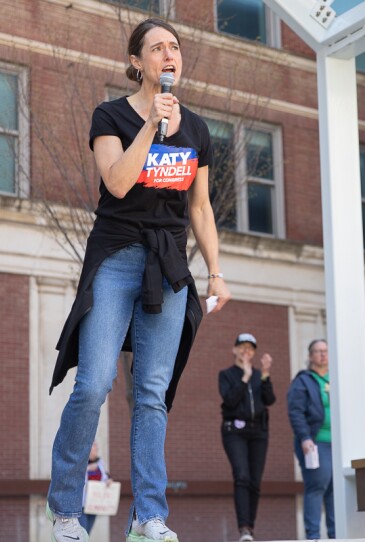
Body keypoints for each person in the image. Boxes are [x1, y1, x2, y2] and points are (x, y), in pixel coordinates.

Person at [45, 18, 231, 542]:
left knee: (152, 392)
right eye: (156, 48)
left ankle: (149, 516)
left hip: (169, 264)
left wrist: (215, 272)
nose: (169, 54)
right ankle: (65, 510)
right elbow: (118, 182)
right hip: (117, 255)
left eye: (175, 47)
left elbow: (200, 207)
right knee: (95, 381)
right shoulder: (110, 115)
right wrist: (151, 124)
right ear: (136, 62)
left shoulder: (196, 130)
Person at [219, 332, 276, 542]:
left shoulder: (259, 375)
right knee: (242, 476)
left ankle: (249, 528)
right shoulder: (226, 375)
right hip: (235, 431)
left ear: (254, 353)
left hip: (259, 432)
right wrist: (244, 376)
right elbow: (230, 400)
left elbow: (269, 399)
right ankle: (243, 527)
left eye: (250, 348)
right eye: (242, 347)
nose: (246, 351)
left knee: (255, 481)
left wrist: (266, 374)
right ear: (234, 349)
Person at [288, 339, 335, 540]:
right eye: (317, 351)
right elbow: (295, 412)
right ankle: (313, 536)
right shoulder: (303, 380)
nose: (322, 355)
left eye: (325, 351)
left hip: (339, 444)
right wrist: (305, 438)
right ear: (310, 356)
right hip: (315, 443)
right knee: (317, 486)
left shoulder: (337, 378)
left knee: (336, 490)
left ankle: (336, 535)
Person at [79, 441, 111, 534]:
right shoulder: (81, 462)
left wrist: (109, 480)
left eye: (97, 448)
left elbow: (106, 476)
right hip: (82, 503)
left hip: (94, 502)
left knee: (88, 531)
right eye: (94, 448)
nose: (96, 450)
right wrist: (88, 469)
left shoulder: (100, 462)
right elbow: (76, 476)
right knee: (82, 531)